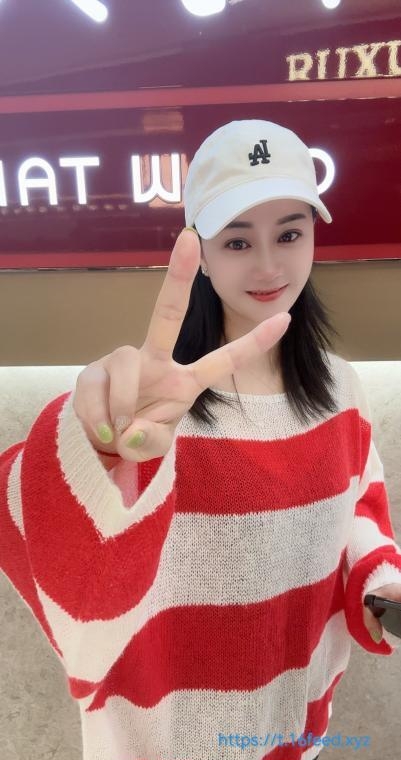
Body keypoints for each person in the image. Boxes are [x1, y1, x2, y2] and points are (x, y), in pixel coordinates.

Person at [1, 119, 401, 760]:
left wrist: (382, 586)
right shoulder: (156, 413)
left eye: (289, 233)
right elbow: (65, 568)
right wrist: (98, 448)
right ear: (201, 254)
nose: (268, 265)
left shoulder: (341, 388)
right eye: (237, 241)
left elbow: (358, 511)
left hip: (296, 730)